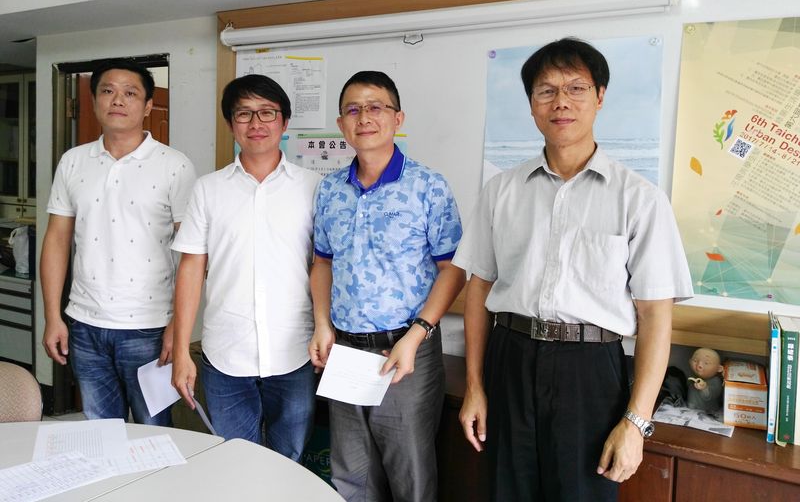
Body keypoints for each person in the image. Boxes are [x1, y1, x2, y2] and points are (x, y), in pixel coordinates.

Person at [454, 38, 694, 501]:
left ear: (599, 97)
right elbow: (479, 289)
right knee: (506, 492)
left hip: (591, 372)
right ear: (531, 105)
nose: (560, 102)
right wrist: (475, 387)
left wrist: (636, 423)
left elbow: (655, 315)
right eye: (546, 91)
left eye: (576, 88)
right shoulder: (501, 191)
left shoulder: (639, 199)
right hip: (510, 359)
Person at [309, 71, 465, 501]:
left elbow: (454, 270)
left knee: (409, 475)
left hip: (405, 350)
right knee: (351, 475)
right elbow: (322, 263)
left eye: (375, 107)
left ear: (398, 118)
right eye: (353, 110)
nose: (364, 117)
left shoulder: (427, 186)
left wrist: (417, 335)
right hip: (345, 349)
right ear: (341, 124)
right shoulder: (330, 190)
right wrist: (322, 324)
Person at [170, 74, 320, 462]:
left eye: (267, 112)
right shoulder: (208, 189)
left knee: (290, 462)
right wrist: (182, 350)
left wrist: (325, 329)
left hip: (294, 351)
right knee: (234, 462)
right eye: (244, 114)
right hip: (225, 354)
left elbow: (324, 267)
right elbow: (191, 269)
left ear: (284, 122)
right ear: (230, 123)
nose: (256, 123)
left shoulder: (315, 188)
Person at [41, 58, 196, 425]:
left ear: (148, 106)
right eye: (108, 91)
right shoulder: (73, 161)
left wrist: (178, 329)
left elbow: (191, 255)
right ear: (94, 100)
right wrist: (52, 316)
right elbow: (57, 239)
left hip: (149, 326)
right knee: (100, 432)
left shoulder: (174, 165)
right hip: (84, 324)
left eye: (130, 93)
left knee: (154, 431)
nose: (118, 100)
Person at [686, 347, 724, 413]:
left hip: (707, 410)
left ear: (719, 368)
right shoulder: (692, 376)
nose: (699, 365)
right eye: (695, 361)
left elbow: (712, 395)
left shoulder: (716, 381)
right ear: (690, 362)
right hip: (691, 408)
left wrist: (704, 388)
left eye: (706, 363)